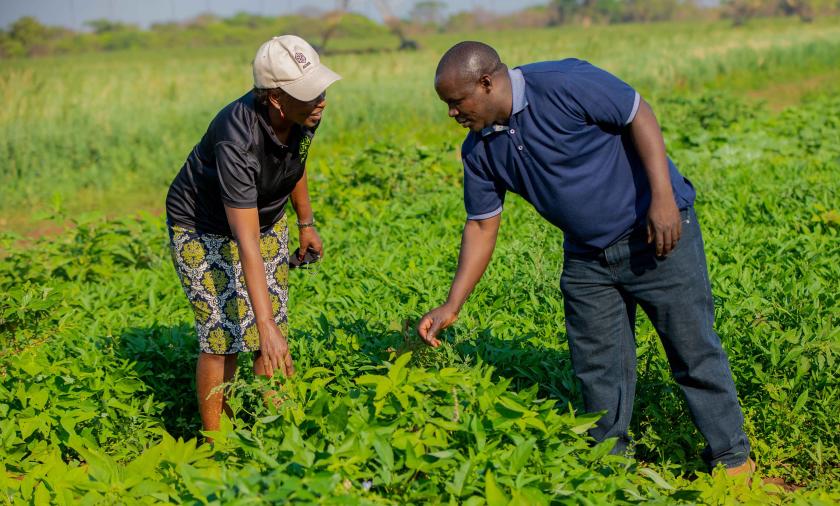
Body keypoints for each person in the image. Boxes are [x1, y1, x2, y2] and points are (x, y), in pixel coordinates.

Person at [417, 41, 754, 475]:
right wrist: (453, 303)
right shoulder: (479, 151)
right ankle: (609, 470)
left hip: (655, 235)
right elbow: (482, 225)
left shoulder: (562, 83)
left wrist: (664, 199)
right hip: (587, 257)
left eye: (456, 101)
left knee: (692, 351)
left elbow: (638, 114)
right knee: (598, 366)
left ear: (485, 83)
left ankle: (731, 460)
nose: (452, 113)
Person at [165, 35, 340, 435]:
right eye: (311, 93)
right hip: (203, 226)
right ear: (276, 98)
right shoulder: (236, 138)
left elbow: (294, 162)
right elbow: (245, 241)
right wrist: (262, 322)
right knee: (222, 335)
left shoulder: (305, 112)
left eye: (322, 88)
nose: (322, 100)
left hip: (265, 214)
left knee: (272, 331)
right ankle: (217, 442)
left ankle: (281, 433)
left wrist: (306, 222)